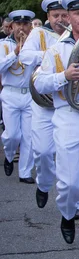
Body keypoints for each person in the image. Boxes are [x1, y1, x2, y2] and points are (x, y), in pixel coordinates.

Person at [35, 0, 79, 256]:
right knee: (70, 183)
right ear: (69, 17)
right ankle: (66, 213)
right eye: (78, 13)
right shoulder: (56, 49)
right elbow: (39, 83)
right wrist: (65, 75)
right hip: (68, 118)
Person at [20, 0, 68, 206]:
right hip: (42, 103)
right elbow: (25, 56)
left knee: (68, 157)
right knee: (43, 151)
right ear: (48, 16)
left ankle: (72, 204)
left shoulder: (75, 34)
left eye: (63, 14)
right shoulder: (39, 33)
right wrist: (51, 54)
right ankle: (44, 183)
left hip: (67, 102)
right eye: (55, 15)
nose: (60, 19)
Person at [0, 10, 36, 182]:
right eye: (18, 24)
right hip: (10, 93)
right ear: (12, 27)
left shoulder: (35, 45)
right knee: (13, 135)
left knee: (28, 135)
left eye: (25, 24)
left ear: (30, 26)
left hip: (29, 94)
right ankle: (9, 154)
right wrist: (15, 52)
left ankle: (25, 172)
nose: (21, 28)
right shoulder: (3, 45)